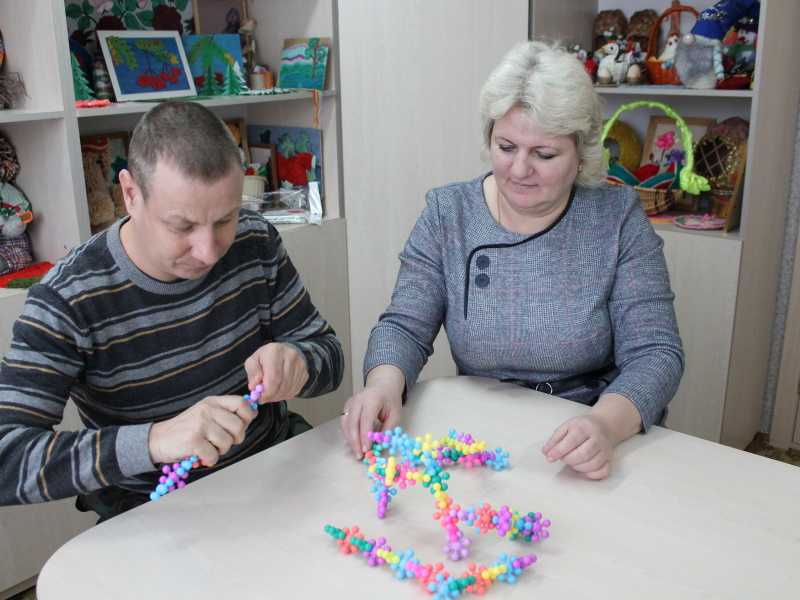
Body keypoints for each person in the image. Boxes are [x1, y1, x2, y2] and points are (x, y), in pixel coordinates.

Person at [341, 41, 684, 480]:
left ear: (582, 155)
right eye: (506, 147)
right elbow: (404, 326)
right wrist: (382, 386)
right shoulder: (449, 214)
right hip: (484, 431)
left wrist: (605, 424)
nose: (520, 169)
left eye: (544, 154)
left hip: (588, 425)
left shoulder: (617, 219)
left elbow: (655, 353)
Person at [0, 102, 343, 520]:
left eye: (226, 219)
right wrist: (154, 441)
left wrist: (300, 364)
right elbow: (7, 459)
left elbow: (329, 355)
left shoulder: (255, 242)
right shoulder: (67, 298)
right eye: (182, 226)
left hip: (270, 468)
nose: (209, 251)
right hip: (153, 508)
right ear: (130, 194)